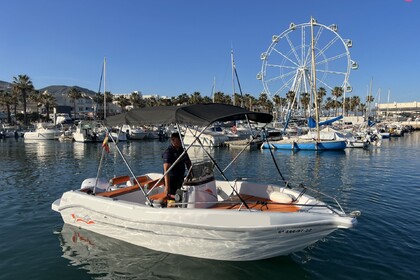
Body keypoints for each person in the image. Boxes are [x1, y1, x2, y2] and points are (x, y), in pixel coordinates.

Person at [162, 132, 192, 199]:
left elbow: (188, 163)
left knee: (180, 196)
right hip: (171, 181)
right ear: (173, 140)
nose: (181, 141)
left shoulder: (182, 151)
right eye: (179, 140)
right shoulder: (168, 152)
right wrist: (167, 188)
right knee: (173, 198)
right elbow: (166, 170)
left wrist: (190, 175)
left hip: (180, 178)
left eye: (181, 139)